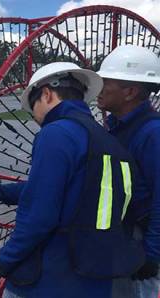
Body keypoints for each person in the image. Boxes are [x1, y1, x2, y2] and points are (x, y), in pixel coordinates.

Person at [0, 62, 145, 298]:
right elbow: (72, 190)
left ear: (47, 94)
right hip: (95, 278)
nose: (35, 117)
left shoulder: (57, 133)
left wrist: (5, 259)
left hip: (49, 277)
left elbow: (40, 213)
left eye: (34, 106)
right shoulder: (107, 140)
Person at [96, 45, 160, 298]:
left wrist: (152, 254)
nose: (98, 88)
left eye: (105, 82)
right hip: (124, 234)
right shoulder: (116, 127)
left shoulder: (152, 133)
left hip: (142, 239)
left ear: (130, 92)